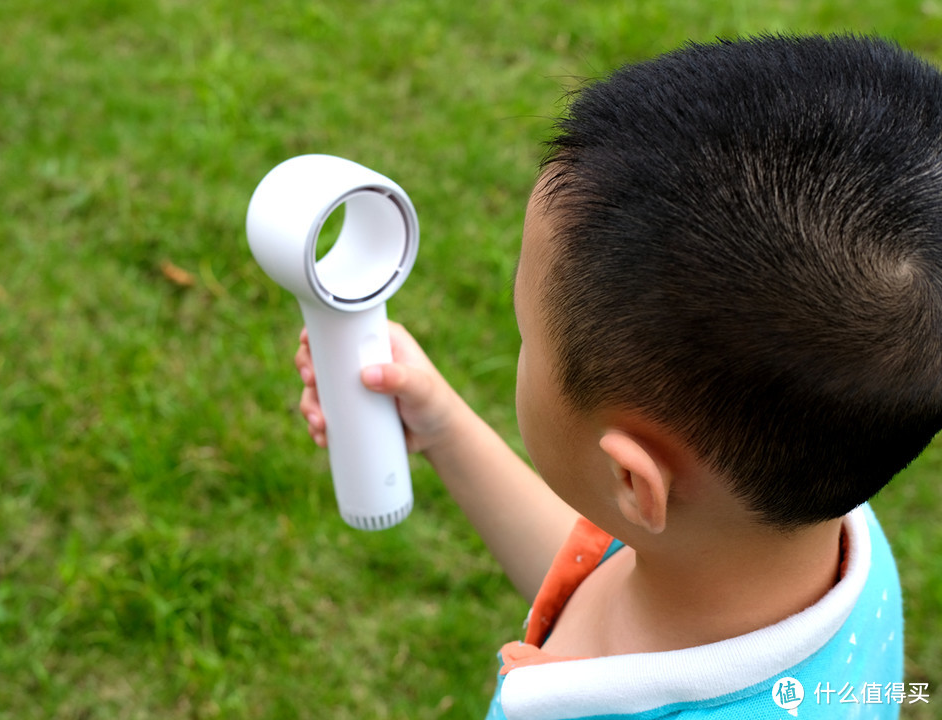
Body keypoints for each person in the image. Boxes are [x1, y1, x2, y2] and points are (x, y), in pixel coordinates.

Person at [295, 34, 942, 718]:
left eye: (524, 336)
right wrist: (445, 428)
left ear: (635, 484)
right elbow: (598, 571)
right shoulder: (828, 537)